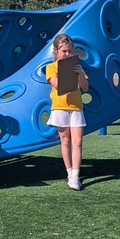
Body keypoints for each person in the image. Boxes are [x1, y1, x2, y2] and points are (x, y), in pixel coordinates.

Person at [45, 33, 89, 190]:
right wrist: (67, 71)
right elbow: (57, 85)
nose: (68, 54)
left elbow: (85, 87)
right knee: (65, 140)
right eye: (65, 51)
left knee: (77, 141)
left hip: (76, 107)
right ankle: (69, 172)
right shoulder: (51, 67)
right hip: (59, 107)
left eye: (70, 51)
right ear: (56, 51)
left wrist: (78, 73)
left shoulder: (77, 66)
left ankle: (75, 175)